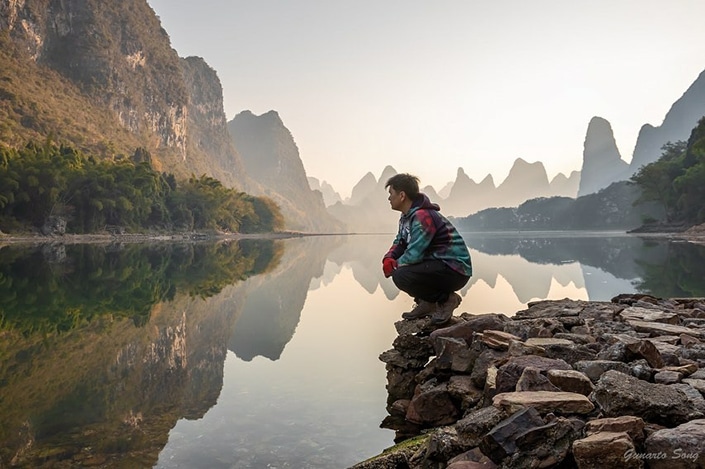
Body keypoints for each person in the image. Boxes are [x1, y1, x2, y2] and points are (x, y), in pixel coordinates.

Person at [382, 173, 473, 325]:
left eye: (391, 193)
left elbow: (415, 253)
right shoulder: (406, 217)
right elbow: (401, 242)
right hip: (437, 266)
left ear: (402, 195)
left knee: (401, 275)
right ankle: (427, 302)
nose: (389, 198)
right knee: (401, 272)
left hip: (454, 269)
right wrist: (389, 258)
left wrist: (395, 266)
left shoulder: (422, 216)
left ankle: (446, 300)